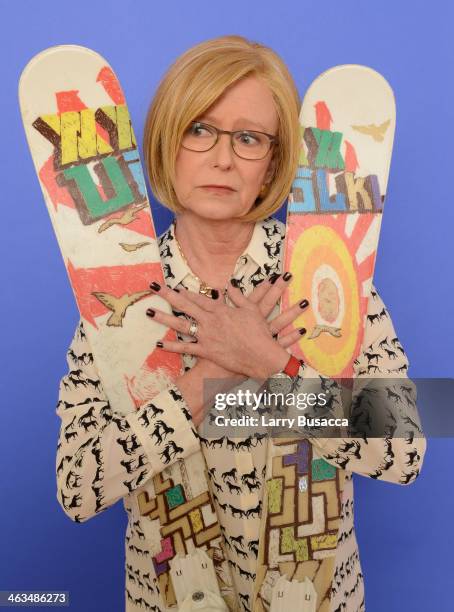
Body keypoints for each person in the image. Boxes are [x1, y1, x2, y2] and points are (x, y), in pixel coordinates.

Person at [55, 35, 426, 612]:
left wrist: (276, 367)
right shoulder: (118, 299)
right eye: (199, 129)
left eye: (249, 138)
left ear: (274, 162)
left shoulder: (331, 277)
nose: (223, 158)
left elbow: (406, 452)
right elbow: (76, 488)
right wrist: (203, 384)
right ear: (163, 144)